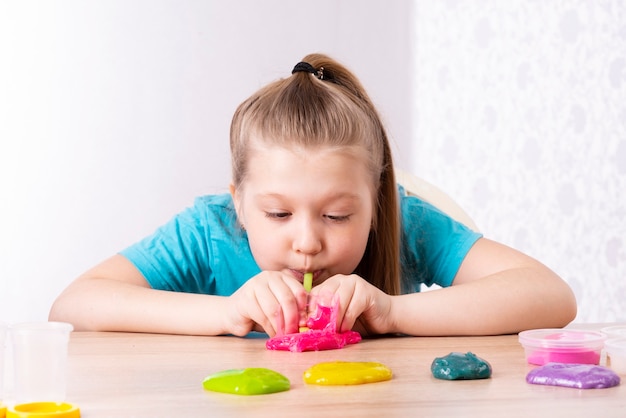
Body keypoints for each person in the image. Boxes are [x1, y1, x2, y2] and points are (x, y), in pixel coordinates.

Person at [49, 53, 577, 337]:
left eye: (338, 214)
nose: (307, 242)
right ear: (238, 202)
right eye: (277, 213)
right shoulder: (210, 229)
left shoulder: (404, 220)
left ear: (374, 202)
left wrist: (391, 313)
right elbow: (73, 304)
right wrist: (224, 314)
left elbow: (551, 296)